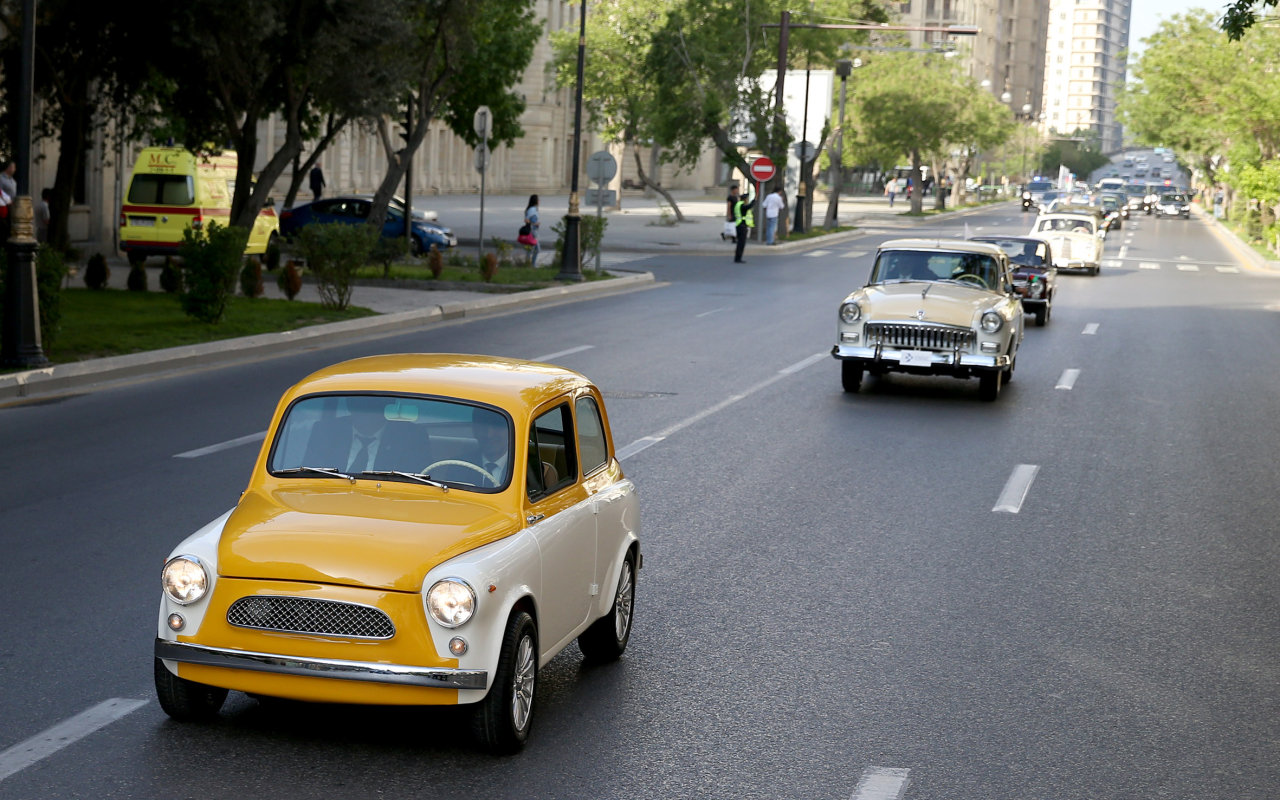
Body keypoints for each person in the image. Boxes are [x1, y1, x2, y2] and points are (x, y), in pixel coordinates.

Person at [732, 184, 755, 263]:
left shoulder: (738, 204)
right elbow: (748, 207)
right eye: (747, 199)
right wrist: (753, 202)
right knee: (741, 243)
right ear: (745, 199)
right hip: (742, 226)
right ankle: (738, 258)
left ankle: (737, 257)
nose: (747, 200)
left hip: (739, 225)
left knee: (740, 243)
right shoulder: (742, 205)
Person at [523, 194, 540, 266]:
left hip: (533, 230)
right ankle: (532, 264)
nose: (539, 201)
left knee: (532, 249)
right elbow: (526, 220)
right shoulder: (532, 209)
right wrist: (534, 224)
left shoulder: (533, 209)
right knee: (536, 249)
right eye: (538, 199)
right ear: (535, 201)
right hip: (532, 231)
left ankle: (529, 264)